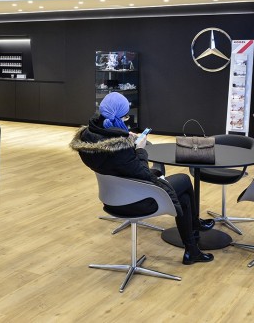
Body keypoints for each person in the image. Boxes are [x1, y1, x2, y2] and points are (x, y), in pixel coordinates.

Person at [69, 92, 215, 265]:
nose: (126, 120)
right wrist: (139, 149)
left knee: (183, 198)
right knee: (183, 180)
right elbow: (143, 173)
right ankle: (193, 231)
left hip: (111, 196)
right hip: (134, 200)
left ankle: (192, 248)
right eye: (124, 117)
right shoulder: (119, 149)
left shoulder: (89, 137)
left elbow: (117, 164)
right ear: (117, 117)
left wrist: (125, 138)